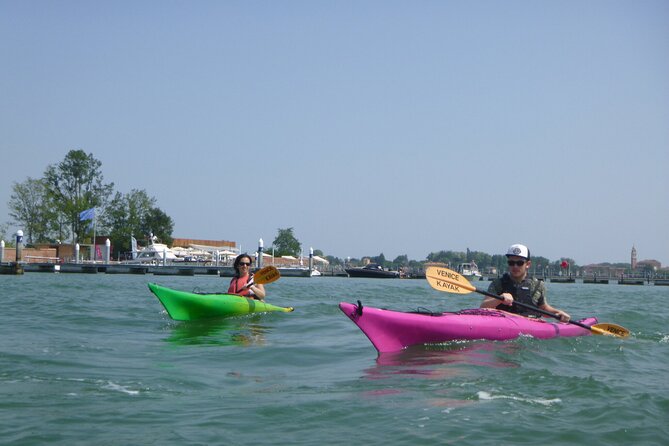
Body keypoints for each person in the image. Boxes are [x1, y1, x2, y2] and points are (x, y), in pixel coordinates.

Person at [480, 244, 570, 322]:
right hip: (504, 324)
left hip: (531, 326)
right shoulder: (498, 284)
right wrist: (499, 299)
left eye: (519, 263)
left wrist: (557, 313)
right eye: (511, 263)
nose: (515, 266)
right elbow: (483, 307)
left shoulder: (537, 285)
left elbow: (543, 308)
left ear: (528, 264)